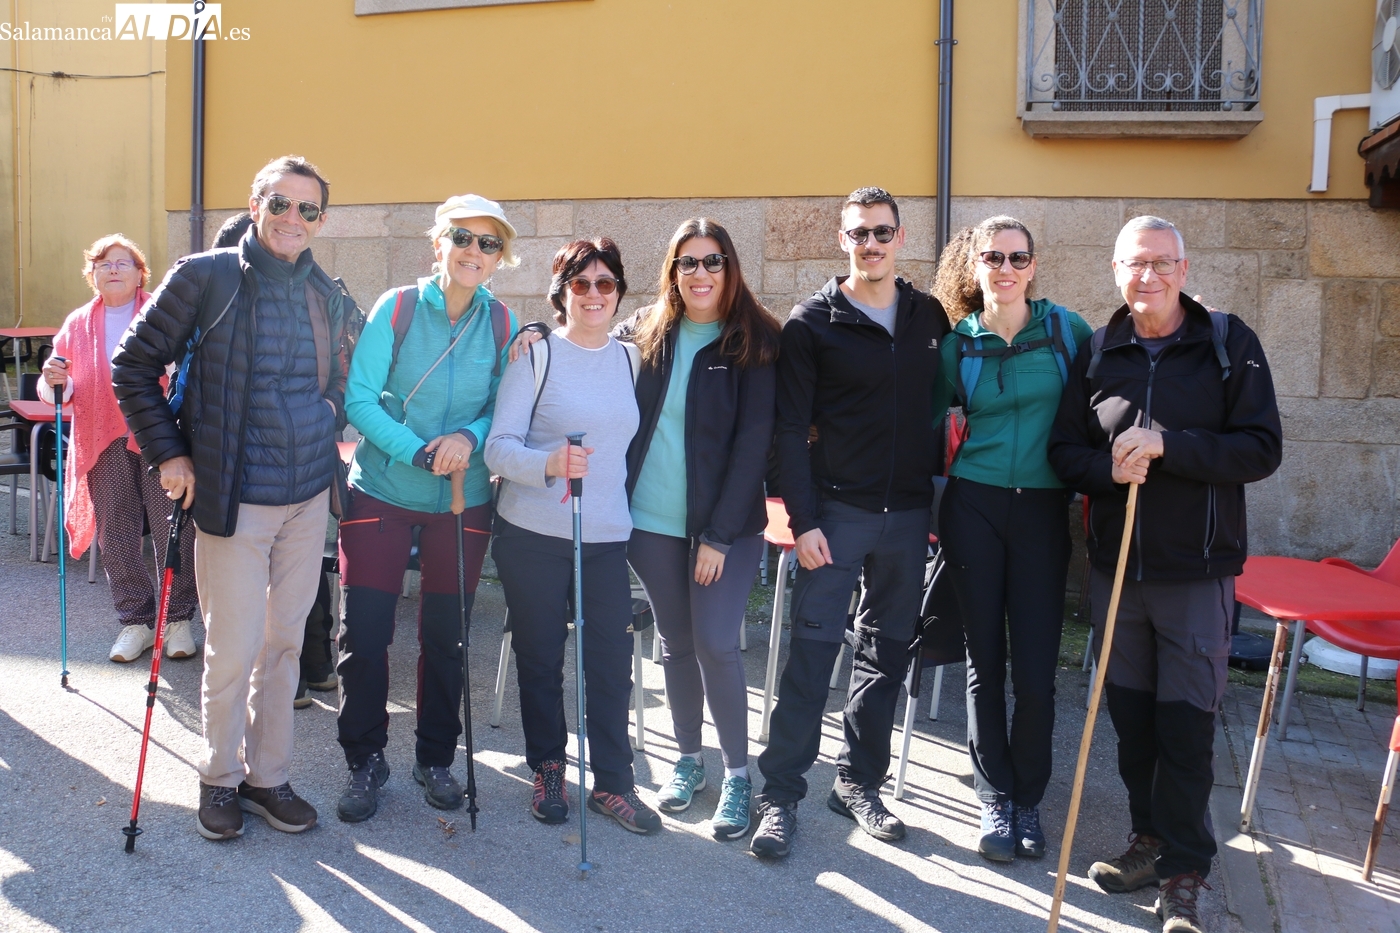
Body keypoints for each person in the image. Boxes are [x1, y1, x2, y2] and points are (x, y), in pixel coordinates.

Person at [1048, 216, 1282, 933]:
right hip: (1119, 570)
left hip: (1196, 573)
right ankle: (1149, 842)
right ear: (1115, 270)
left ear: (1183, 269)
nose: (1146, 275)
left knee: (1186, 726)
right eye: (1133, 263)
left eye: (1160, 263)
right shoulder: (1098, 351)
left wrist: (1168, 445)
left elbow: (1261, 448)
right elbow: (1065, 452)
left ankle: (1185, 873)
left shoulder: (1228, 343)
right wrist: (1109, 471)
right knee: (1133, 720)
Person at [112, 154, 356, 842]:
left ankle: (267, 777)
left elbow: (342, 374)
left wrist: (329, 410)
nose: (292, 218)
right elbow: (133, 364)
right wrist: (170, 453)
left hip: (306, 498)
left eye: (307, 209)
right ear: (255, 206)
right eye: (280, 203)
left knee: (284, 646)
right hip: (233, 498)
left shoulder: (325, 292)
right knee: (234, 646)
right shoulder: (205, 276)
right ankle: (218, 775)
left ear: (321, 220)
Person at [750, 187, 951, 859]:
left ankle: (859, 783)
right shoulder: (813, 322)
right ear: (843, 241)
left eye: (882, 232)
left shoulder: (928, 315)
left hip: (908, 518)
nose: (871, 244)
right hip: (835, 516)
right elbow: (788, 429)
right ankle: (780, 796)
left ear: (900, 238)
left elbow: (944, 399)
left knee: (885, 657)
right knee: (811, 657)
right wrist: (802, 520)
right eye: (859, 233)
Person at [333, 195, 519, 822]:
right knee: (366, 633)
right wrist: (417, 451)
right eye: (462, 238)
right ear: (438, 244)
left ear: (499, 257)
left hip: (464, 502)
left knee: (447, 637)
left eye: (488, 243)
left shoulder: (503, 324)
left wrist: (468, 437)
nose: (474, 251)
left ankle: (435, 756)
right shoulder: (398, 307)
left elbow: (504, 407)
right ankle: (364, 759)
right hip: (383, 491)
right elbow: (360, 401)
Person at [929, 217, 1094, 863]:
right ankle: (994, 794)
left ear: (1033, 265)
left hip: (1043, 510)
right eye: (992, 257)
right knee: (984, 661)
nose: (1005, 268)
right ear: (973, 265)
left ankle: (1029, 797)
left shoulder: (1067, 330)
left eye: (1017, 257)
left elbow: (1114, 391)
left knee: (1035, 665)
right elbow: (920, 417)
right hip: (973, 504)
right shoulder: (958, 344)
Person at [485, 238, 662, 835]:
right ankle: (548, 770)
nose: (593, 294)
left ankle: (614, 783)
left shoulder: (631, 360)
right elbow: (497, 448)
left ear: (619, 293)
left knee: (610, 665)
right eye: (580, 283)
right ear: (561, 293)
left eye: (605, 283)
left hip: (606, 535)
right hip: (532, 534)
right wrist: (550, 463)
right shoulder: (535, 356)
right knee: (540, 659)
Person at [619, 219, 779, 838]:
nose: (701, 273)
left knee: (716, 642)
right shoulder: (648, 332)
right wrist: (535, 332)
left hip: (725, 530)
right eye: (687, 262)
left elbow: (753, 446)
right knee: (676, 642)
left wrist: (717, 536)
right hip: (649, 520)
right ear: (673, 271)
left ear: (729, 267)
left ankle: (738, 775)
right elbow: (582, 339)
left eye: (713, 261)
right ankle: (688, 759)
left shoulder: (756, 340)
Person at [39, 234, 199, 664]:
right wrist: (53, 380)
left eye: (123, 263)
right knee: (117, 532)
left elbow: (183, 372)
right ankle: (136, 622)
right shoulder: (77, 323)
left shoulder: (161, 313)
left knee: (174, 528)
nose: (113, 269)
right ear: (92, 274)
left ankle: (177, 619)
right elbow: (59, 387)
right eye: (104, 263)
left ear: (140, 274)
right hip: (102, 439)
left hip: (160, 437)